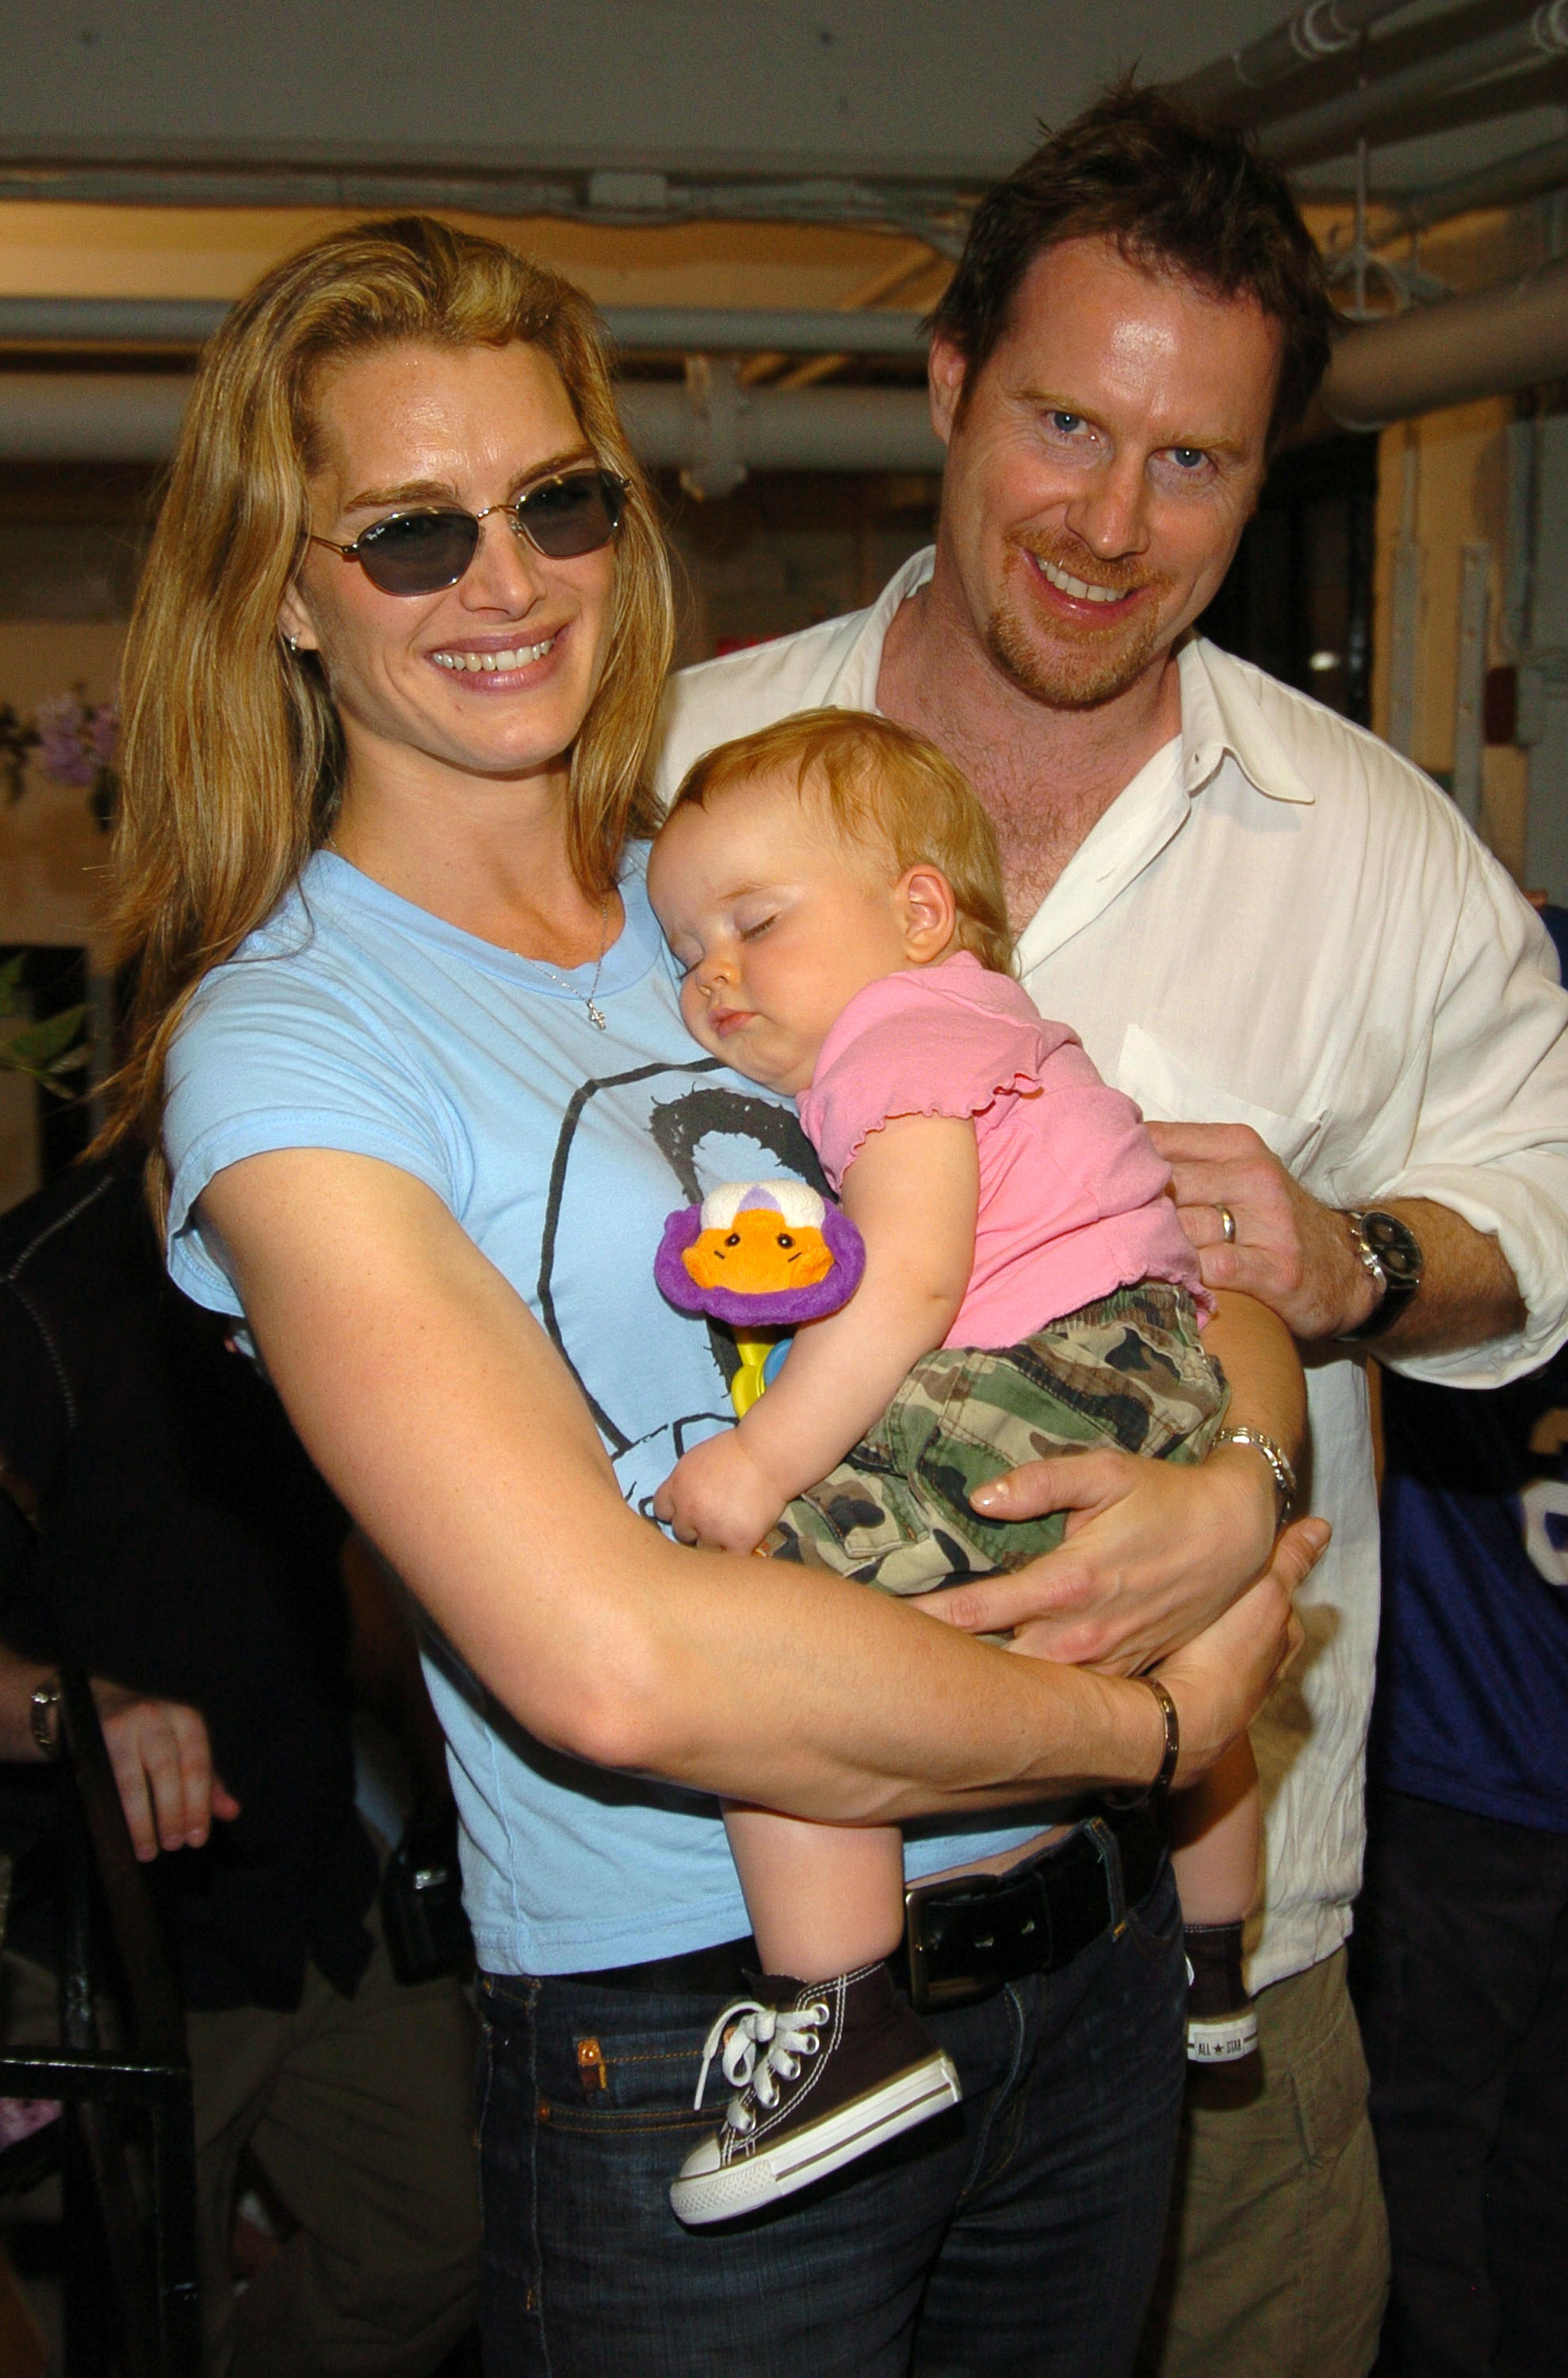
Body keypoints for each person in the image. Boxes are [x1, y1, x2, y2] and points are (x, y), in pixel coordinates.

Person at [106, 213, 1309, 2378]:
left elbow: (1140, 1214)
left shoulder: (743, 890)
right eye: (410, 532)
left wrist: (1239, 1489)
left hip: (1094, 1982)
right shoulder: (291, 1052)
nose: (512, 579)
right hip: (716, 2047)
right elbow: (615, 1660)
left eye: (562, 499)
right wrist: (1154, 1719)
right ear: (284, 588)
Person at [655, 83, 1568, 2378]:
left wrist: (1359, 1263)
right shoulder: (675, 772)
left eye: (1192, 461)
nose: (1111, 522)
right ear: (949, 387)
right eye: (1067, 426)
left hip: (1220, 1962)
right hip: (745, 1941)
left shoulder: (1364, 841)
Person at [646, 708, 1283, 2219]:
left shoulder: (896, 1039)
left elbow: (914, 1281)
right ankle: (1211, 1961)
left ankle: (840, 2014)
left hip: (1044, 1369)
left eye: (756, 923)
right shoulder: (1005, 1016)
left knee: (772, 1641)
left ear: (920, 909)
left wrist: (762, 1462)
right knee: (1186, 1643)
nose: (714, 973)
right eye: (688, 949)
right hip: (1154, 1368)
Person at [0, 1156, 481, 2378]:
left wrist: (448, 1752)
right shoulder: (37, 1294)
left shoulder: (320, 1243)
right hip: (107, 1930)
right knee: (138, 2320)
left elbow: (325, 1550)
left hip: (317, 1877)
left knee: (455, 2229)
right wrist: (75, 1706)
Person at [1355, 904, 1568, 2378]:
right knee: (1443, 2183)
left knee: (1549, 2190)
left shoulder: (1556, 976)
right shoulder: (1504, 969)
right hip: (1469, 1753)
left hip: (1516, 1765)